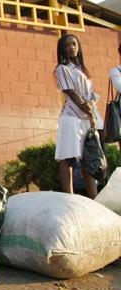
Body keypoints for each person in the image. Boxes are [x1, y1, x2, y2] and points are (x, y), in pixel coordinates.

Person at [54, 34, 102, 199]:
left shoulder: (82, 69)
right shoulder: (62, 68)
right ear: (62, 49)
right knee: (68, 156)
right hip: (71, 118)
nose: (71, 47)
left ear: (78, 46)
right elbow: (72, 93)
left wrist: (92, 116)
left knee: (87, 159)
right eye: (67, 45)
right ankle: (69, 198)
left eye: (74, 44)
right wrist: (89, 112)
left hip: (86, 119)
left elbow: (89, 94)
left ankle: (94, 199)